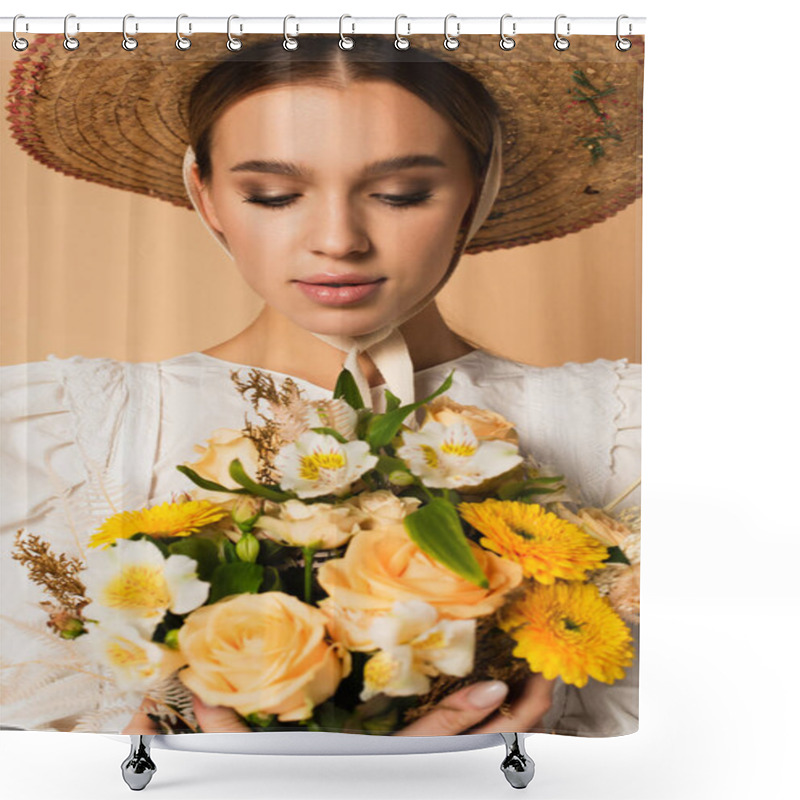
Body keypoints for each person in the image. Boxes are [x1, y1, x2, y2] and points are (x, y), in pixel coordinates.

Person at [0, 32, 642, 738]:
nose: (338, 239)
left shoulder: (629, 435)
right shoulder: (63, 436)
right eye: (273, 195)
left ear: (476, 191)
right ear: (204, 195)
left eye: (402, 193)